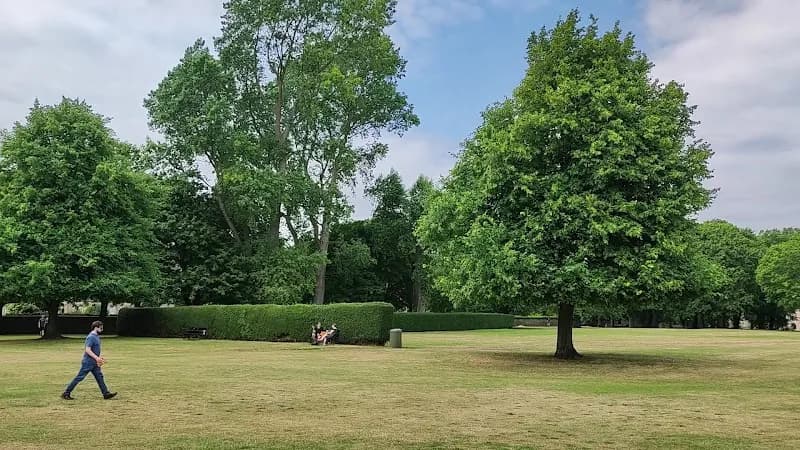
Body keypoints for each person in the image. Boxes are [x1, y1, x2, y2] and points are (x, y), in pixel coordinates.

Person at [61, 320, 117, 400]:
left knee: (99, 377)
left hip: (94, 362)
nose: (102, 329)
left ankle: (106, 393)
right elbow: (87, 350)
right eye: (101, 327)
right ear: (96, 327)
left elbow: (94, 350)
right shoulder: (91, 337)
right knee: (79, 377)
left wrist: (99, 358)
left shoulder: (96, 337)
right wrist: (96, 358)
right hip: (88, 362)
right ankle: (66, 393)